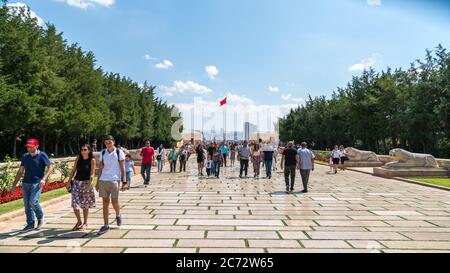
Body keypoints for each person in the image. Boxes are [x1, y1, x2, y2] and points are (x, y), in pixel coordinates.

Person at [12, 139, 53, 232]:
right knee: (27, 205)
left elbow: (50, 167)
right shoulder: (25, 156)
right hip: (26, 183)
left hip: (37, 183)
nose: (29, 148)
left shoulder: (42, 155)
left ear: (37, 146)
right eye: (28, 147)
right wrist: (14, 184)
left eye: (31, 146)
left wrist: (44, 179)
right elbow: (21, 170)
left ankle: (40, 217)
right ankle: (30, 224)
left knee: (33, 202)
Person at [96, 135, 126, 235]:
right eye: (106, 142)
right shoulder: (103, 152)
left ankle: (118, 214)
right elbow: (100, 167)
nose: (108, 144)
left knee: (114, 201)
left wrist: (124, 181)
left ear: (113, 142)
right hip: (103, 179)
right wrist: (97, 182)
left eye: (110, 142)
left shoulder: (119, 152)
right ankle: (106, 225)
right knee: (105, 202)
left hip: (115, 179)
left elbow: (123, 167)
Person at [67, 144, 96, 231]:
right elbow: (73, 170)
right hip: (76, 183)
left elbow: (92, 172)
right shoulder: (78, 158)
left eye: (85, 149)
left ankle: (85, 223)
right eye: (82, 149)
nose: (83, 151)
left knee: (85, 204)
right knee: (75, 204)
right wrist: (69, 182)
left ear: (89, 151)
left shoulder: (92, 160)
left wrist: (91, 181)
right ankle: (79, 221)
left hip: (86, 183)